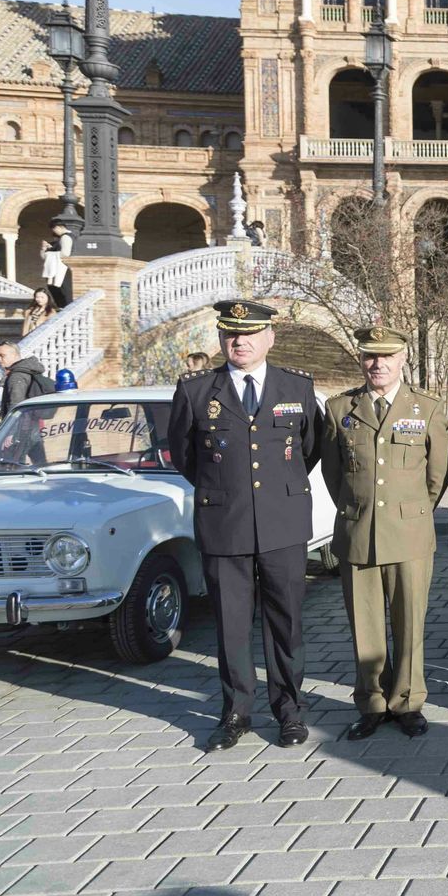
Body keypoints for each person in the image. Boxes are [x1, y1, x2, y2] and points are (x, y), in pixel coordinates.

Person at [168, 300, 323, 750]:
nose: (240, 340)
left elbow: (309, 449)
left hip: (282, 523)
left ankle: (290, 711)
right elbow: (184, 456)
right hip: (225, 524)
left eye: (250, 332)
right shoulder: (197, 390)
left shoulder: (296, 385)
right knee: (231, 624)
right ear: (220, 339)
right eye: (231, 333)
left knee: (286, 622)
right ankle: (235, 712)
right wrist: (229, 490)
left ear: (269, 338)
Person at [319, 326, 448, 740]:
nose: (377, 364)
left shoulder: (426, 408)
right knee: (366, 625)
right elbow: (332, 471)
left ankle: (408, 702)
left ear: (401, 360)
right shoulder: (340, 407)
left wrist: (411, 512)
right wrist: (356, 508)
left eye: (386, 357)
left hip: (409, 533)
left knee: (409, 623)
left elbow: (438, 475)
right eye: (370, 357)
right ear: (362, 361)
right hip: (358, 531)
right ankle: (372, 702)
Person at [0, 342, 53, 417]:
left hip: (21, 426)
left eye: (2, 355)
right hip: (32, 422)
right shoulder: (27, 370)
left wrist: (10, 426)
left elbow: (15, 407)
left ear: (14, 355)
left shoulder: (17, 376)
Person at [41, 222, 73, 309]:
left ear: (58, 227)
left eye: (54, 229)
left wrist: (49, 253)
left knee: (64, 291)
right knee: (56, 289)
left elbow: (65, 254)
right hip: (57, 269)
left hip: (63, 269)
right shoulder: (60, 240)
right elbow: (44, 256)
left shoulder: (66, 237)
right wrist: (45, 249)